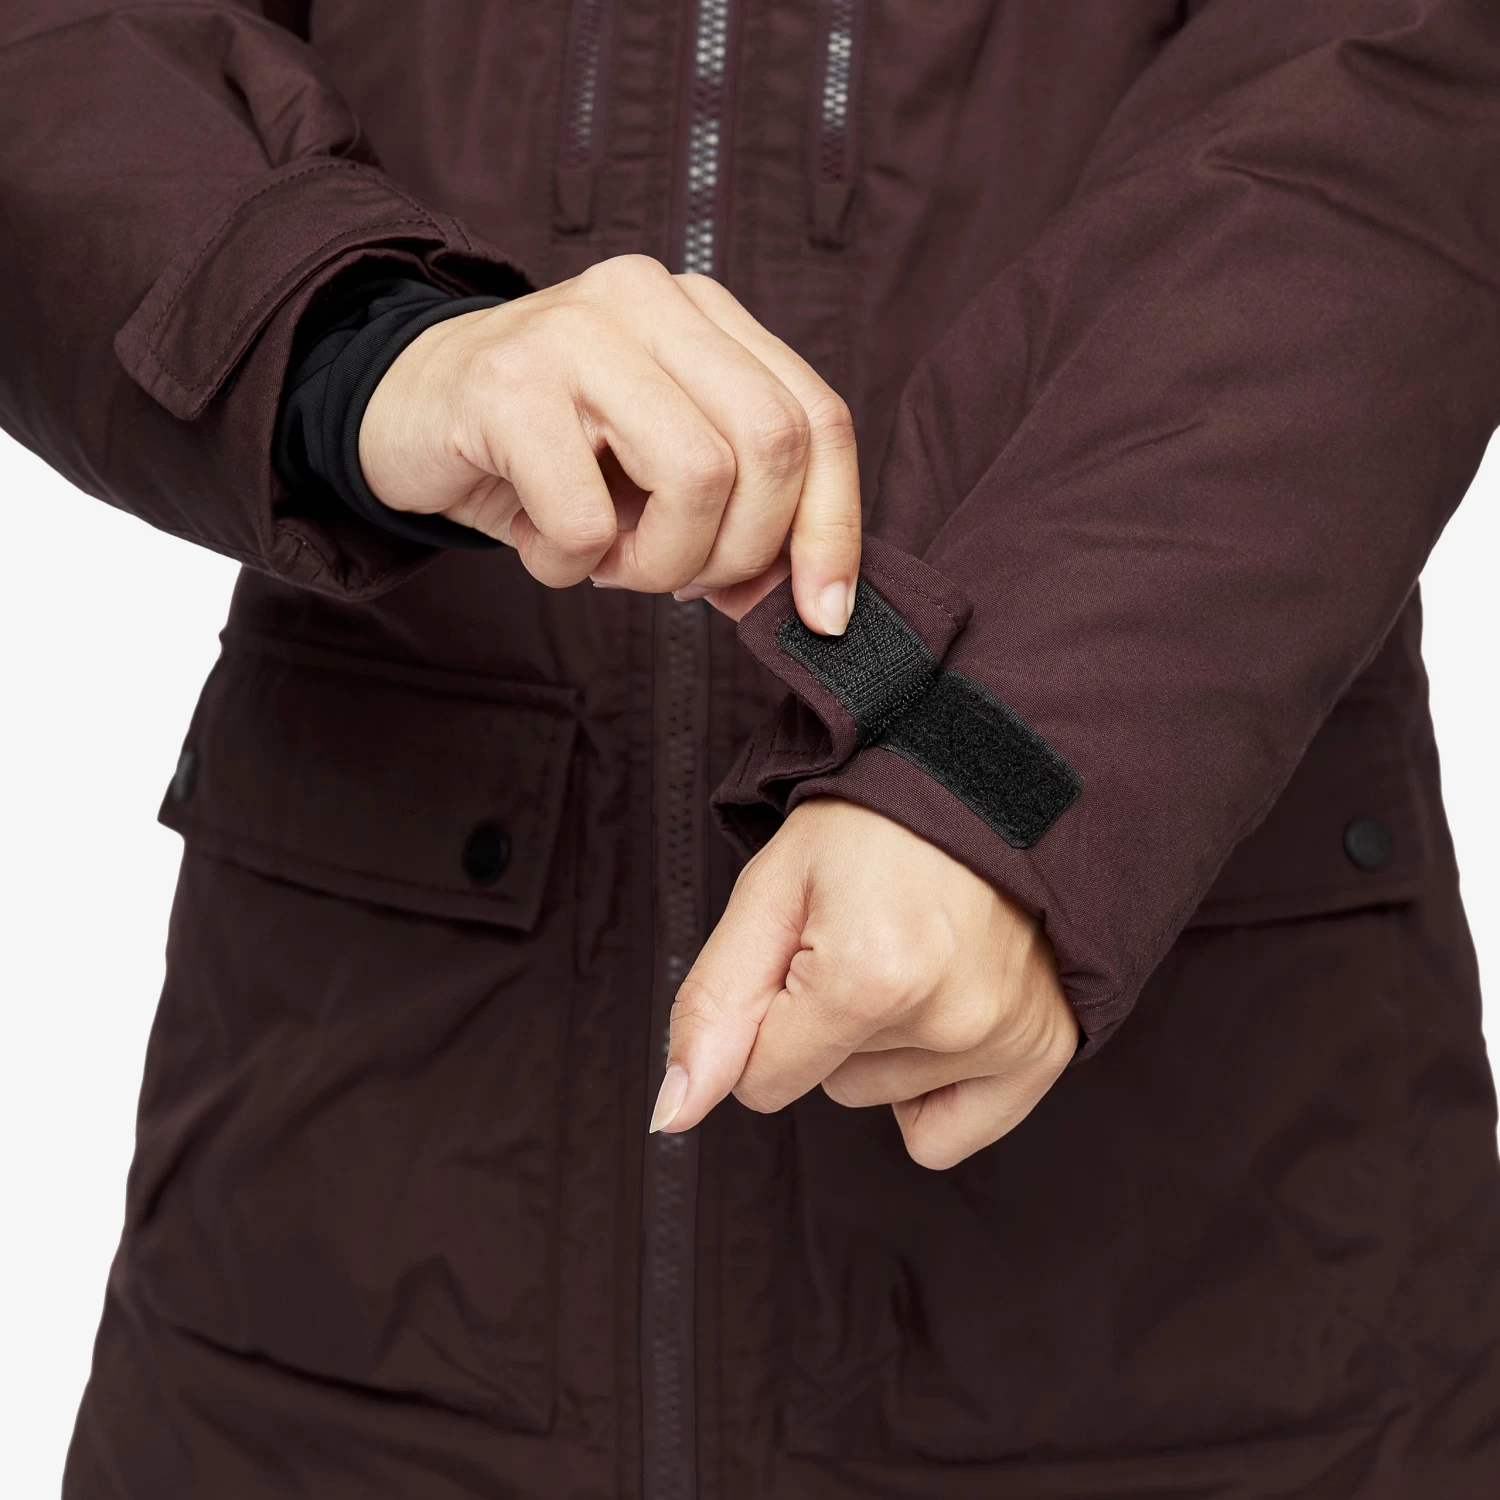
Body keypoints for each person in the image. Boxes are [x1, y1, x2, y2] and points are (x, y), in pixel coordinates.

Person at [3, 1, 1498, 1495]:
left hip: (1208, 1289)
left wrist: (999, 768)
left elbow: (1393, 94)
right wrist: (356, 337)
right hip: (324, 1283)